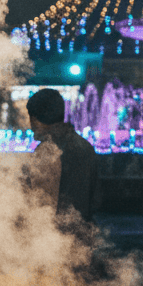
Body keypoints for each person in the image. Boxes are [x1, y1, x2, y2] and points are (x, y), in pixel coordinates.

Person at [24, 89, 98, 223]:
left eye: (31, 119)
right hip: (83, 232)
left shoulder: (48, 150)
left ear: (36, 119)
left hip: (58, 236)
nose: (31, 127)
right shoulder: (85, 146)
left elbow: (41, 203)